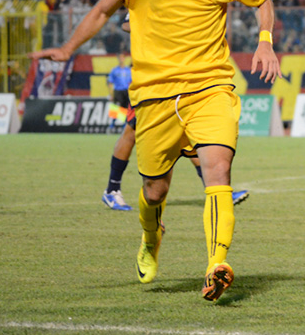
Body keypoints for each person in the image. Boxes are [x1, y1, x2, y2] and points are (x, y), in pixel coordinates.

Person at [32, 0, 280, 301]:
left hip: (210, 87)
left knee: (217, 171)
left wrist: (265, 41)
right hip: (154, 93)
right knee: (154, 190)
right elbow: (102, 11)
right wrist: (68, 49)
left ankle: (216, 264)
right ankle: (151, 237)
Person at [102, 16, 250, 211]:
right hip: (152, 80)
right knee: (131, 131)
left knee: (189, 137)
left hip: (180, 78)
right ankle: (112, 189)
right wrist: (163, 26)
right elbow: (127, 23)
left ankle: (216, 189)